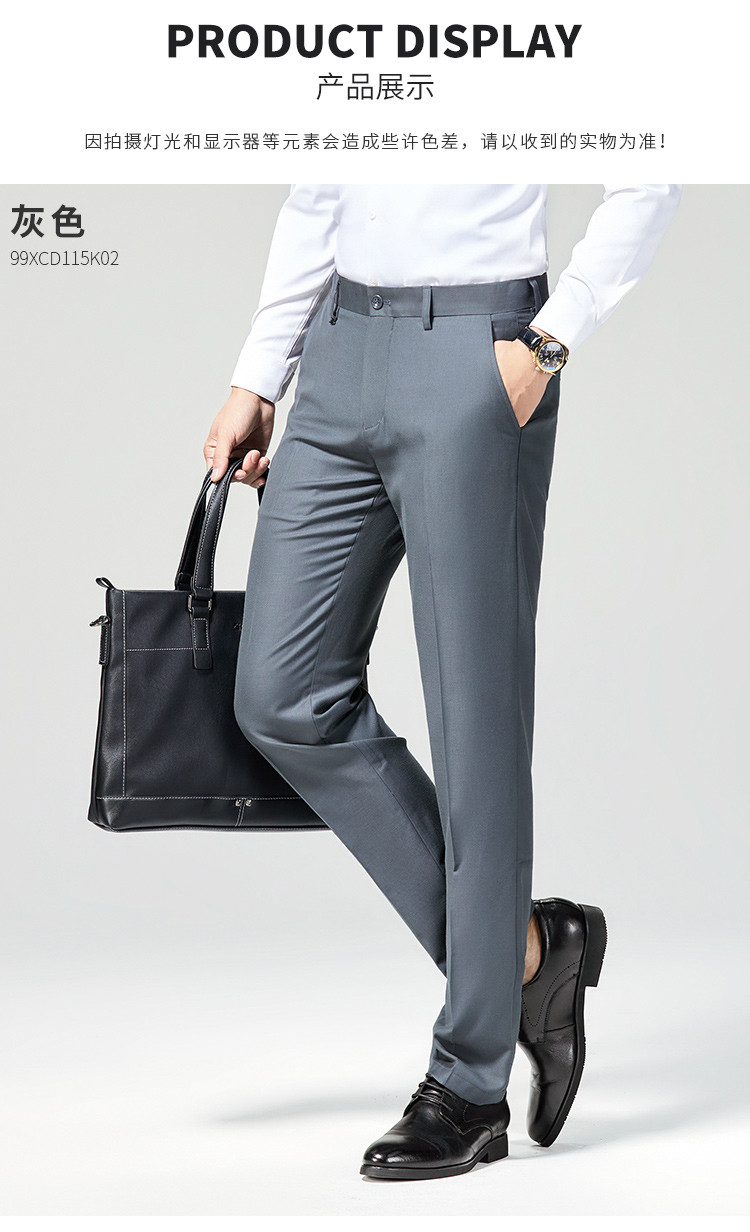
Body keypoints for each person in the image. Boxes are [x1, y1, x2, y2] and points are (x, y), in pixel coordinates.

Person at [204, 184, 681, 1181]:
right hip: (339, 348)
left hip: (481, 350)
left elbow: (650, 169)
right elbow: (318, 187)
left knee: (476, 726)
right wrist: (261, 369)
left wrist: (548, 342)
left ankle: (469, 1085)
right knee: (280, 692)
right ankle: (529, 956)